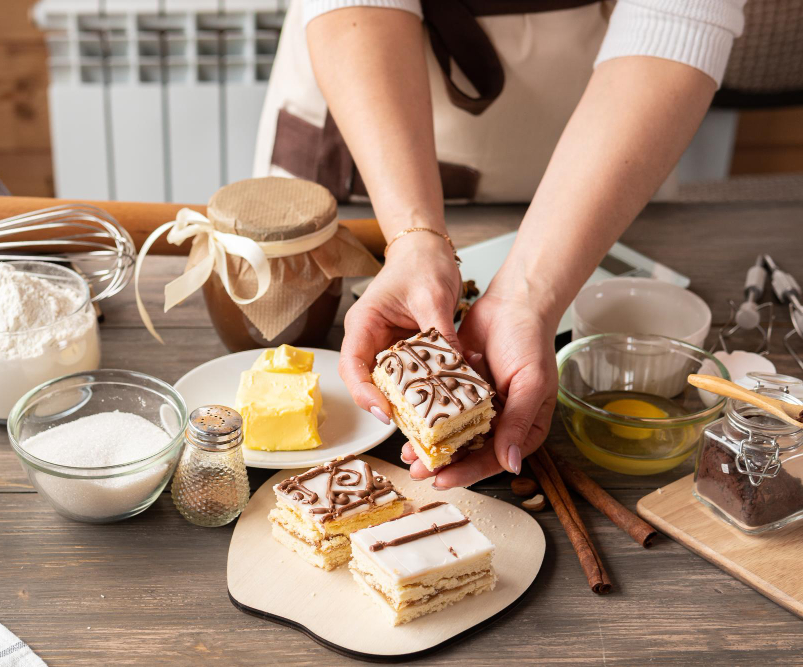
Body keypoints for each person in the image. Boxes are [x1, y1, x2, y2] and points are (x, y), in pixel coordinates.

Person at [252, 0, 747, 488]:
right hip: (370, 88)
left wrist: (527, 298)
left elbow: (676, 15)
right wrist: (413, 239)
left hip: (604, 124)